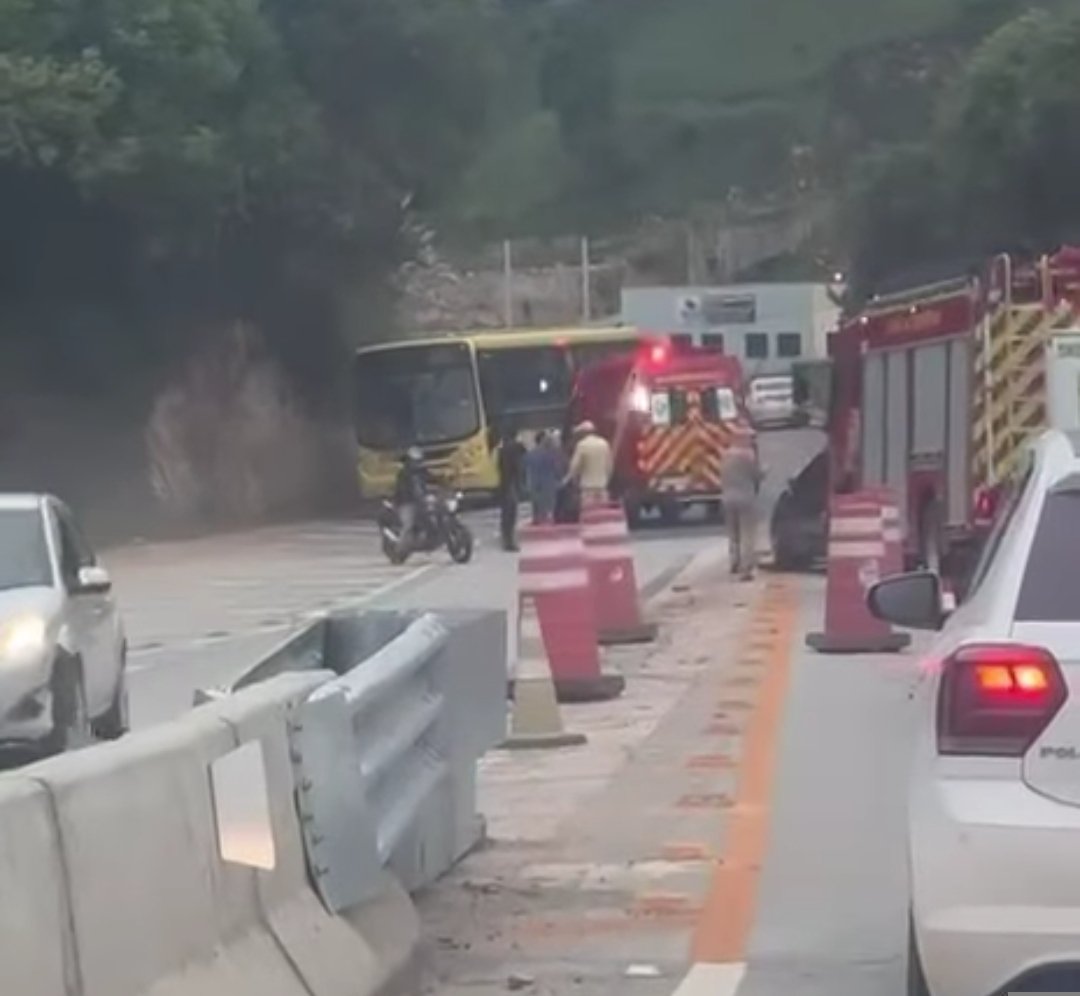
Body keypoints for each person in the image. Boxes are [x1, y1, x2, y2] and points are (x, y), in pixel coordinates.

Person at [721, 427, 764, 581]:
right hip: (745, 497)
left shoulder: (725, 455)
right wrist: (764, 472)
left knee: (733, 533)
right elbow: (756, 476)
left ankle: (734, 561)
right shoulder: (748, 456)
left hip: (727, 498)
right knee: (747, 533)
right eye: (751, 438)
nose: (753, 442)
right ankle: (746, 568)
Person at [565, 420, 613, 510]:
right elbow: (609, 466)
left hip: (587, 488)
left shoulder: (582, 445)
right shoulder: (604, 443)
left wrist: (572, 479)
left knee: (590, 515)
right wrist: (606, 480)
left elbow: (574, 466)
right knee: (603, 513)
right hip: (602, 486)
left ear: (584, 433)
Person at [393, 446, 432, 549]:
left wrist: (445, 481)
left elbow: (432, 479)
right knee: (408, 524)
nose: (417, 463)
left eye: (418, 461)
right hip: (406, 502)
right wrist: (413, 497)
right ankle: (399, 547)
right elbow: (402, 489)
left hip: (420, 500)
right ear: (409, 461)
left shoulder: (422, 471)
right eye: (414, 461)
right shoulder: (403, 474)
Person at [497, 427, 527, 551]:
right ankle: (509, 542)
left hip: (504, 482)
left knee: (506, 513)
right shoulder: (516, 447)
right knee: (511, 512)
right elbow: (521, 463)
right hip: (512, 482)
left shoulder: (502, 449)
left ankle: (506, 538)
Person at [525, 431, 563, 524]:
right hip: (548, 484)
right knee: (548, 509)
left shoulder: (530, 454)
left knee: (536, 508)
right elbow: (557, 469)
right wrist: (559, 480)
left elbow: (526, 470)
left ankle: (537, 522)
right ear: (543, 440)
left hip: (534, 484)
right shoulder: (551, 454)